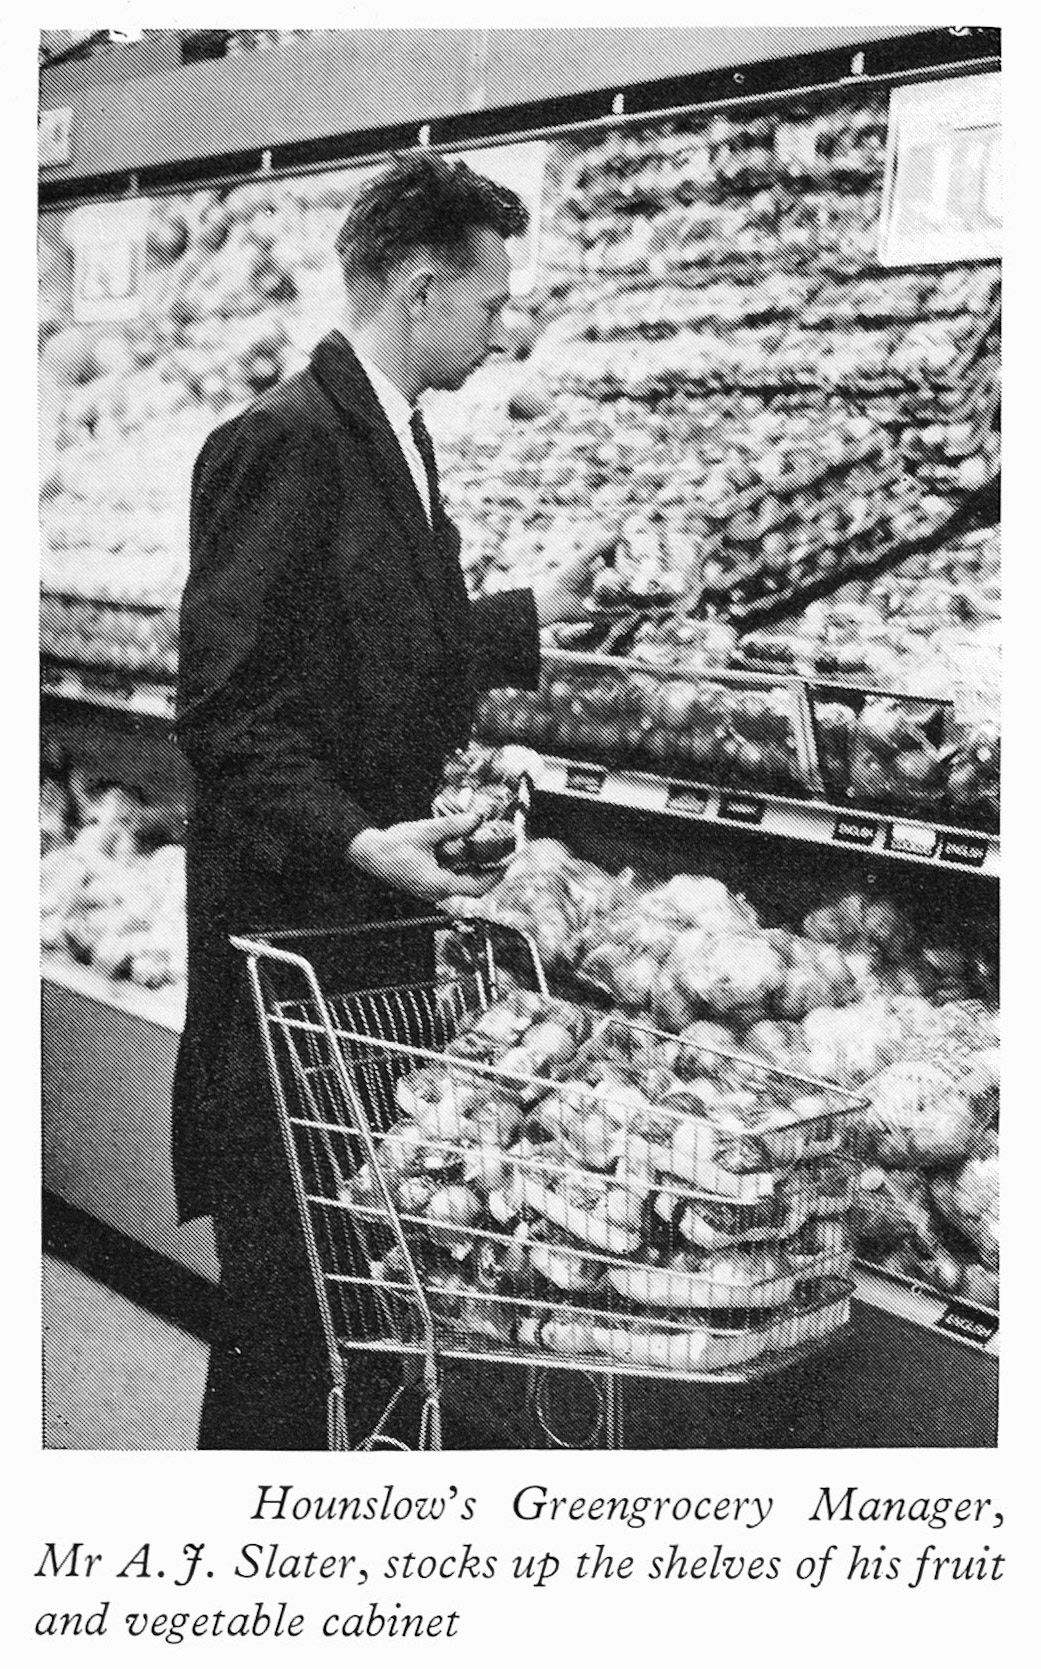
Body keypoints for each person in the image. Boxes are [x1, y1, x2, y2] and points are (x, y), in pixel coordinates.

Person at [172, 153, 593, 1449]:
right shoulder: (278, 444)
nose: (499, 325)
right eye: (487, 302)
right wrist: (362, 837)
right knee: (282, 1319)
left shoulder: (393, 441)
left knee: (340, 1300)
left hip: (361, 943)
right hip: (287, 947)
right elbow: (230, 709)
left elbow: (375, 642)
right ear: (419, 288)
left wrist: (530, 614)